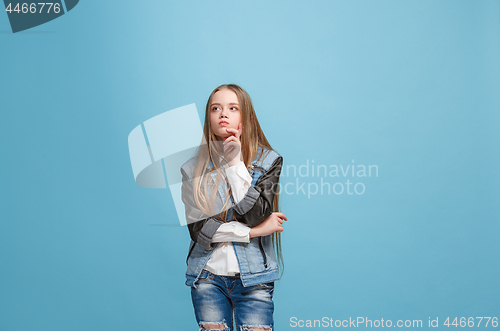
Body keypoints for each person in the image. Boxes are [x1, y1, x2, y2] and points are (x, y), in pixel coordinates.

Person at [180, 84, 288, 331]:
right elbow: (200, 231)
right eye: (215, 108)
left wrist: (235, 163)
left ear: (246, 116)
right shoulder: (191, 168)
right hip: (207, 277)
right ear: (208, 117)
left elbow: (253, 215)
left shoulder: (269, 161)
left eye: (232, 108)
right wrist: (253, 232)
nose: (223, 114)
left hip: (255, 281)